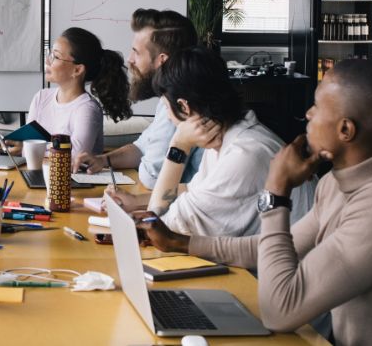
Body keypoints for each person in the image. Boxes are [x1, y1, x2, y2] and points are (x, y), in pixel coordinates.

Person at [136, 59, 372, 344]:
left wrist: (276, 192)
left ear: (345, 130)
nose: (307, 113)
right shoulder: (336, 184)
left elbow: (280, 312)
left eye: (317, 106)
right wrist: (178, 242)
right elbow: (277, 244)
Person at [105, 47, 314, 237]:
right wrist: (135, 202)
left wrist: (179, 144)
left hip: (278, 273)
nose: (168, 117)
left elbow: (160, 224)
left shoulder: (243, 155)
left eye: (166, 108)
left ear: (184, 107)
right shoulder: (230, 135)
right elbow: (196, 191)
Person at [75, 9, 203, 187]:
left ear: (162, 60)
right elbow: (141, 148)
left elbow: (153, 177)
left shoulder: (181, 105)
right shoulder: (169, 98)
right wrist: (103, 160)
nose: (130, 59)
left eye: (137, 52)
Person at [8, 27, 131, 166]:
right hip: (40, 175)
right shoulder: (41, 97)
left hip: (74, 183)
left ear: (77, 70)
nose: (48, 61)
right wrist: (25, 148)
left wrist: (31, 149)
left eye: (56, 56)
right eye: (50, 54)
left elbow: (73, 159)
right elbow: (28, 149)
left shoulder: (87, 109)